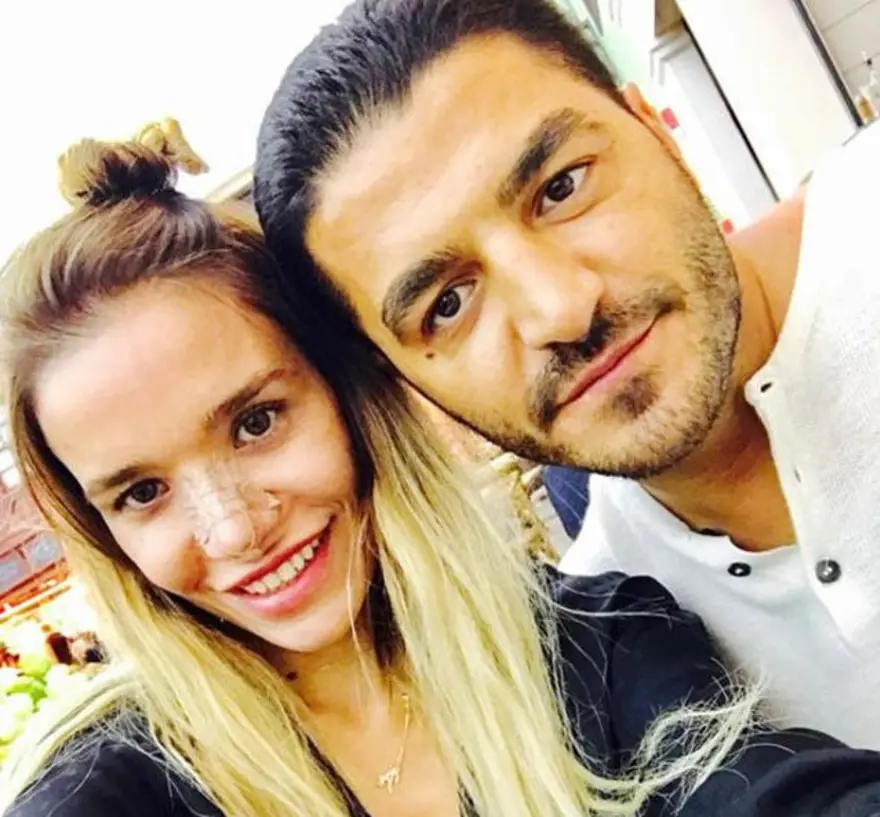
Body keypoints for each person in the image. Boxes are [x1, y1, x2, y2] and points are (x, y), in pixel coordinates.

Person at [3, 124, 880, 817]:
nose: (231, 527)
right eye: (142, 492)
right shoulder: (114, 789)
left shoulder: (600, 650)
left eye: (256, 422)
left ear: (352, 392)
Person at [254, 0, 880, 747]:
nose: (562, 310)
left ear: (655, 129)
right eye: (448, 304)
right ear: (406, 384)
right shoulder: (615, 660)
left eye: (561, 188)